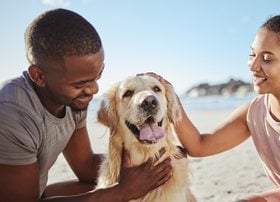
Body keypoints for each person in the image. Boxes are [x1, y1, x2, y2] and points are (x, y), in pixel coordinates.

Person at [160, 0, 280, 201]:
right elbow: (199, 146)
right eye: (252, 54)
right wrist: (170, 97)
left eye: (267, 58)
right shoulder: (254, 113)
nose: (253, 66)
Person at [0, 9, 172, 202]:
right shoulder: (11, 113)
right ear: (39, 76)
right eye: (80, 84)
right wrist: (122, 191)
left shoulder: (72, 99)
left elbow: (85, 166)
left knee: (113, 184)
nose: (93, 89)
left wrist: (148, 165)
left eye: (97, 76)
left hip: (37, 192)